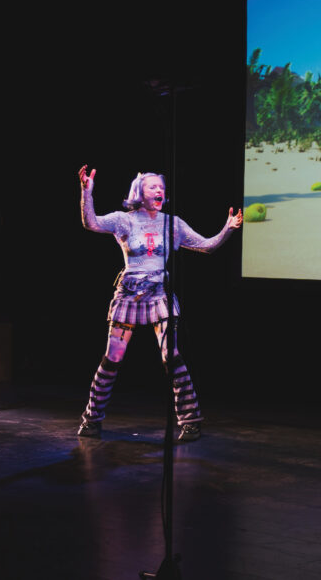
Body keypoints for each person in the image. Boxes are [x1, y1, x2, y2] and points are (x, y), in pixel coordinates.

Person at [76, 165, 242, 442]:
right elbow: (91, 223)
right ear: (139, 193)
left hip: (158, 293)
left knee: (171, 356)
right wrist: (86, 193)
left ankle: (190, 421)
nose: (159, 191)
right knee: (112, 357)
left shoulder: (172, 223)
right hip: (129, 293)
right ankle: (91, 419)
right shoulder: (124, 220)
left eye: (161, 187)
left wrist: (228, 228)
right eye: (153, 186)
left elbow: (206, 245)